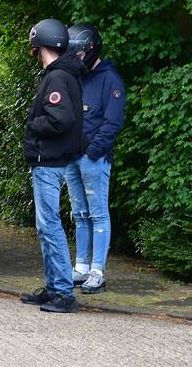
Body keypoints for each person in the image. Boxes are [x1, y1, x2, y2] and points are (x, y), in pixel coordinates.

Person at [20, 18, 86, 313]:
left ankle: (63, 292)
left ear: (39, 45)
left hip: (49, 159)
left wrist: (34, 124)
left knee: (50, 225)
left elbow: (61, 119)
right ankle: (53, 287)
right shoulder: (62, 75)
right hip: (51, 158)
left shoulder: (57, 78)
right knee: (45, 224)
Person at [65, 23, 124, 294]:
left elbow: (112, 123)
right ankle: (81, 267)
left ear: (89, 49)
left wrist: (92, 151)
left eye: (78, 53)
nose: (75, 57)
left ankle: (97, 271)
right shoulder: (78, 76)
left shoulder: (109, 78)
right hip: (72, 157)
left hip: (93, 158)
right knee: (79, 214)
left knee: (98, 214)